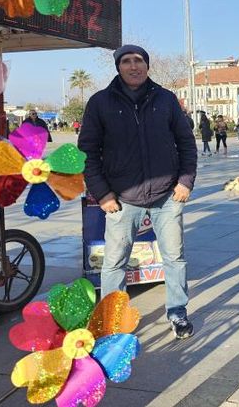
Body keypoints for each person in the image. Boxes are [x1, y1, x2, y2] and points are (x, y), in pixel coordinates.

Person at [78, 44, 197, 339]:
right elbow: (87, 153)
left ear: (147, 65)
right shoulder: (100, 102)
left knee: (175, 257)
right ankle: (112, 318)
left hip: (167, 195)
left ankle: (177, 312)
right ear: (118, 67)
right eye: (127, 61)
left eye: (139, 61)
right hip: (120, 199)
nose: (134, 66)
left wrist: (185, 181)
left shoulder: (166, 100)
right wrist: (102, 193)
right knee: (114, 263)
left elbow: (186, 143)